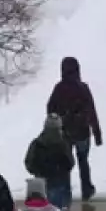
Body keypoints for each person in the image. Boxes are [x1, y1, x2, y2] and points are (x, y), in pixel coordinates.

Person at [44, 56, 102, 201]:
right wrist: (97, 133)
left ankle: (66, 192)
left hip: (65, 133)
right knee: (83, 162)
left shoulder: (59, 88)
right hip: (82, 132)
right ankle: (86, 189)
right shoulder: (83, 88)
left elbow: (50, 108)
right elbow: (91, 111)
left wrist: (57, 122)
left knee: (66, 165)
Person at [25, 114, 75, 211]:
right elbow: (70, 163)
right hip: (59, 184)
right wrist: (60, 171)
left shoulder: (37, 143)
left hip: (42, 184)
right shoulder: (63, 144)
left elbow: (29, 162)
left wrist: (38, 172)